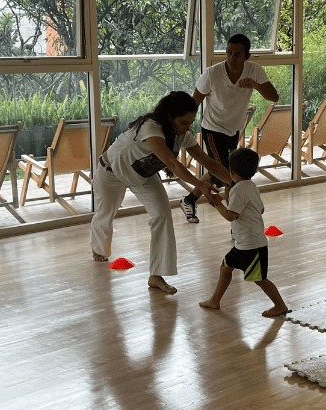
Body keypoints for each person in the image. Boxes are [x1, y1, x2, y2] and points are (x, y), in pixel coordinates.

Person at [90, 91, 231, 295]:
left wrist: (236, 182)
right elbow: (172, 163)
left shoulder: (183, 136)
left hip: (142, 176)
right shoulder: (150, 127)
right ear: (169, 117)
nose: (187, 127)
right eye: (183, 122)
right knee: (106, 213)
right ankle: (99, 248)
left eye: (190, 122)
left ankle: (156, 275)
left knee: (163, 215)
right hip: (110, 172)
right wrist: (201, 187)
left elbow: (208, 162)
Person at [180, 34, 280, 224]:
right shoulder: (212, 74)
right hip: (212, 128)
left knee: (221, 171)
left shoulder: (254, 71)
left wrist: (255, 85)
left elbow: (274, 97)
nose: (232, 58)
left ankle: (189, 199)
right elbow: (194, 103)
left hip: (234, 129)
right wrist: (184, 127)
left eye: (237, 54)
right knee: (228, 175)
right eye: (229, 53)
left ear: (247, 56)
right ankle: (235, 223)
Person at [199, 148, 289, 318]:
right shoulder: (251, 187)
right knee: (225, 268)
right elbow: (260, 209)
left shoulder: (238, 190)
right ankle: (215, 300)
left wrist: (217, 203)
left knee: (260, 279)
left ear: (231, 172)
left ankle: (280, 305)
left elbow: (230, 216)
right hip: (245, 243)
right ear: (254, 170)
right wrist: (228, 200)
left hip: (251, 246)